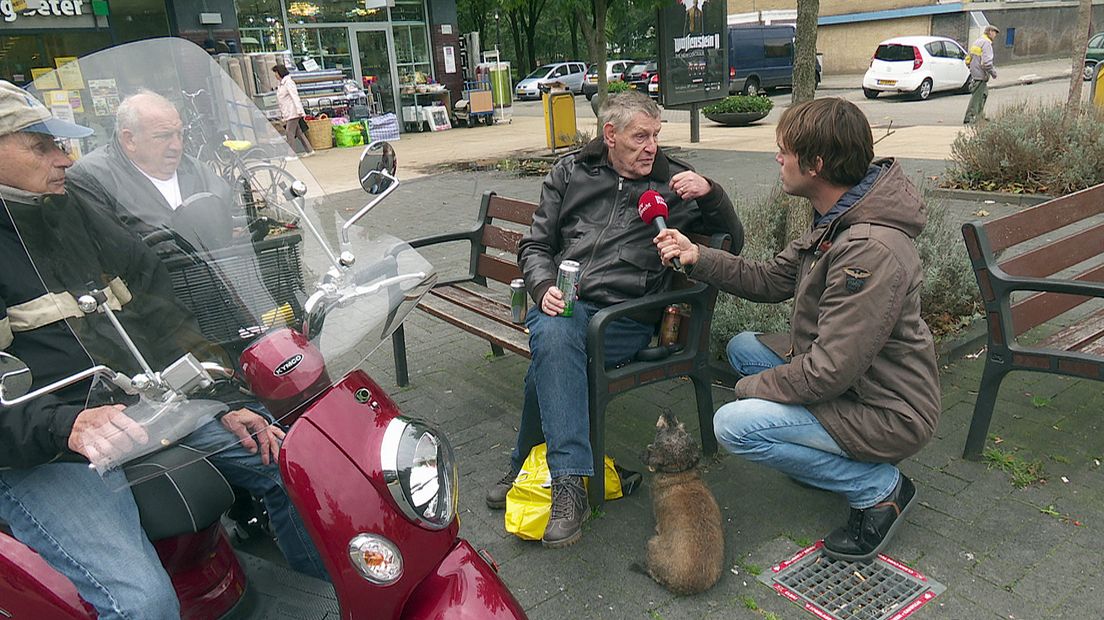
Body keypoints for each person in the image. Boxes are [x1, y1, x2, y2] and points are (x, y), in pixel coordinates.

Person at [0, 80, 326, 620]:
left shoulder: (69, 201)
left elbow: (155, 302)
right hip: (47, 448)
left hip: (136, 407)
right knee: (142, 602)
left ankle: (331, 597)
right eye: (42, 145)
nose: (65, 157)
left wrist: (221, 396)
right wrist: (64, 426)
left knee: (294, 467)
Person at [655, 98, 940, 563]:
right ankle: (825, 454)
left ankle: (880, 488)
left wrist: (750, 390)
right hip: (855, 386)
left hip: (889, 410)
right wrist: (698, 256)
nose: (778, 159)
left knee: (734, 425)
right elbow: (770, 279)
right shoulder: (840, 217)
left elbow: (828, 373)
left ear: (816, 164)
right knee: (746, 346)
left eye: (784, 150)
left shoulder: (869, 250)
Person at [485, 90, 744, 549]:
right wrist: (544, 287)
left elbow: (732, 242)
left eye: (656, 136)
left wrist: (713, 193)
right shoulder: (571, 172)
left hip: (625, 316)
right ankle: (566, 483)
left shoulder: (672, 184)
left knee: (552, 354)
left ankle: (534, 466)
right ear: (610, 135)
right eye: (640, 136)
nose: (652, 147)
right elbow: (535, 245)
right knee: (556, 335)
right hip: (566, 302)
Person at [67, 90, 239, 251]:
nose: (177, 146)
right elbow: (109, 250)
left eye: (179, 134)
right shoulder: (93, 178)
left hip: (219, 277)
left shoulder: (197, 170)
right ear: (130, 139)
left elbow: (237, 221)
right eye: (164, 136)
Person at [273, 64, 314, 159]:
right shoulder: (282, 84)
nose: (275, 75)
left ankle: (291, 154)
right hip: (288, 112)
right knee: (298, 132)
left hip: (293, 112)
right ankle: (309, 149)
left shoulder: (288, 83)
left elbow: (295, 97)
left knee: (289, 132)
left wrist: (300, 111)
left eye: (276, 72)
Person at [963, 25, 999, 125]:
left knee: (984, 94)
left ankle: (979, 116)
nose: (995, 35)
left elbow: (967, 60)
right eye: (995, 33)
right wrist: (993, 73)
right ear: (990, 32)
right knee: (977, 97)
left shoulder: (977, 41)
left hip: (976, 73)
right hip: (981, 75)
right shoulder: (986, 43)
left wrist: (972, 69)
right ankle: (970, 117)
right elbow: (987, 63)